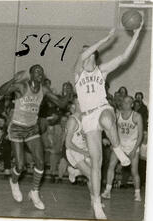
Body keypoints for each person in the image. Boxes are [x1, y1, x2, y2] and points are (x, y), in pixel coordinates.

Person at [73, 18, 143, 219]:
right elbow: (85, 53)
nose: (85, 54)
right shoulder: (77, 73)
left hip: (103, 109)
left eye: (88, 52)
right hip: (87, 118)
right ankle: (96, 203)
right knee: (97, 163)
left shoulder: (101, 71)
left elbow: (123, 57)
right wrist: (106, 38)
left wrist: (137, 34)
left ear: (94, 57)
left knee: (105, 120)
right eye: (83, 53)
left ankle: (117, 147)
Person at [0, 64, 72, 210]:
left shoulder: (44, 89)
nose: (40, 73)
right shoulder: (22, 86)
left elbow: (61, 104)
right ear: (30, 74)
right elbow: (1, 91)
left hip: (31, 128)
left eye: (42, 72)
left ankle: (34, 192)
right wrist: (13, 79)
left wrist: (68, 93)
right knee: (20, 165)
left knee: (40, 162)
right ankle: (13, 181)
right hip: (17, 127)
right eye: (37, 71)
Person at [102, 96, 143, 201]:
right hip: (120, 144)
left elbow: (140, 135)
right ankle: (107, 191)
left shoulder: (137, 116)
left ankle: (137, 193)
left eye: (128, 102)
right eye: (124, 102)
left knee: (134, 171)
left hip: (132, 145)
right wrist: (112, 142)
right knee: (111, 166)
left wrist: (134, 150)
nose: (125, 104)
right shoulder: (117, 114)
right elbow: (111, 129)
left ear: (132, 104)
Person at [65, 98, 95, 205]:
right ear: (74, 106)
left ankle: (75, 172)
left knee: (95, 174)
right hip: (73, 151)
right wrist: (84, 153)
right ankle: (95, 201)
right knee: (92, 175)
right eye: (79, 103)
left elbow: (86, 137)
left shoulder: (85, 119)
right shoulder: (72, 120)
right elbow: (68, 144)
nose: (82, 104)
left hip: (83, 149)